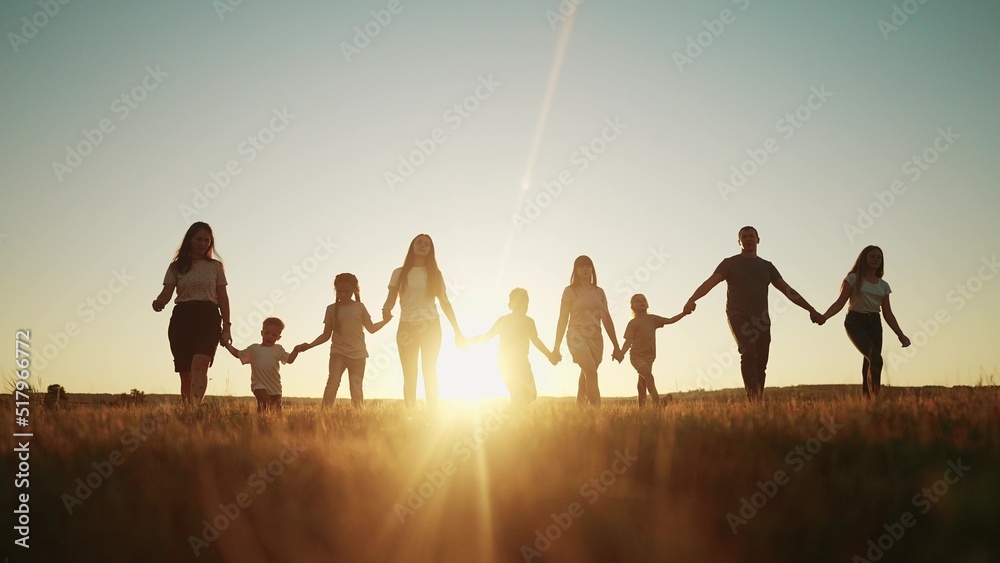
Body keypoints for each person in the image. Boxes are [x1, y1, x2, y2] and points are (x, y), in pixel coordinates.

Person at [683, 226, 821, 402]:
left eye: (751, 236)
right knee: (748, 351)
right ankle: (753, 397)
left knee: (761, 364)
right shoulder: (729, 263)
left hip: (762, 319)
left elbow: (788, 291)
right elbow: (709, 283)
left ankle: (756, 402)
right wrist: (692, 299)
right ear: (739, 242)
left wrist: (811, 309)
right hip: (738, 315)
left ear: (758, 239)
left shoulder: (767, 266)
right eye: (744, 237)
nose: (748, 239)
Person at [381, 234, 464, 411]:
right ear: (412, 246)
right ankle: (410, 412)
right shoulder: (399, 273)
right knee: (410, 373)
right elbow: (391, 298)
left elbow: (445, 302)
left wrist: (457, 331)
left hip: (431, 326)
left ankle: (432, 412)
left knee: (429, 370)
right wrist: (386, 309)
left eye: (427, 244)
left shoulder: (435, 273)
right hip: (407, 327)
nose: (422, 245)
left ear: (430, 250)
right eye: (419, 242)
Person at [152, 222, 231, 404]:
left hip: (209, 317)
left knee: (200, 365)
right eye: (198, 239)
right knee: (186, 372)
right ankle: (188, 412)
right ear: (189, 240)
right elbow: (166, 292)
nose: (202, 243)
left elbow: (223, 298)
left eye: (206, 240)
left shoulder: (216, 267)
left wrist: (226, 327)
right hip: (183, 318)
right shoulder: (176, 267)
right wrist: (159, 302)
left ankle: (196, 408)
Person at [818, 246, 911, 399]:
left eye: (879, 257)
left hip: (875, 323)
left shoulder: (884, 286)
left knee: (869, 364)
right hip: (855, 322)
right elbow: (840, 303)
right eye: (872, 256)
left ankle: (868, 404)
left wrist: (901, 335)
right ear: (864, 259)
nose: (876, 259)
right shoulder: (853, 279)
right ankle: (876, 400)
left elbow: (888, 313)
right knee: (876, 358)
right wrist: (824, 317)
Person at [294, 273, 390, 408]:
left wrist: (385, 321)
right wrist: (309, 345)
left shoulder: (359, 307)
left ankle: (358, 416)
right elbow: (326, 335)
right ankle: (325, 414)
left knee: (356, 388)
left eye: (347, 291)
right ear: (335, 291)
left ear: (354, 291)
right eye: (339, 291)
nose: (343, 294)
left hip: (358, 354)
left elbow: (371, 328)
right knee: (332, 383)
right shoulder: (331, 309)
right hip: (338, 352)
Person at [462, 288, 559, 407]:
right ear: (510, 305)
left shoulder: (529, 322)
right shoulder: (503, 321)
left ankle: (516, 414)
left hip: (523, 363)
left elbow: (536, 341)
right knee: (516, 393)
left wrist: (550, 355)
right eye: (519, 305)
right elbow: (487, 336)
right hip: (506, 363)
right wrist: (468, 341)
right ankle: (515, 418)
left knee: (531, 394)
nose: (523, 308)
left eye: (525, 305)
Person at [553, 255, 621, 406]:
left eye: (588, 266)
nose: (585, 269)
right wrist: (556, 346)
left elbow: (607, 319)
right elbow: (563, 318)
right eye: (581, 266)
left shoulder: (599, 292)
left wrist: (616, 346)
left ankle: (581, 414)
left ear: (592, 269)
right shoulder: (569, 291)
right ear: (575, 270)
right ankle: (597, 414)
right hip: (576, 336)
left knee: (586, 376)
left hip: (596, 337)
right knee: (591, 373)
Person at [613, 294, 687, 407]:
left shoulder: (653, 319)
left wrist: (684, 313)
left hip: (650, 358)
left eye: (643, 300)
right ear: (632, 307)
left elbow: (670, 320)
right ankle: (658, 402)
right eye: (637, 301)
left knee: (642, 384)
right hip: (636, 357)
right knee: (649, 377)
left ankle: (642, 411)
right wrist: (621, 354)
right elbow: (628, 341)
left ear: (647, 304)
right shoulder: (633, 323)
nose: (641, 302)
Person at [224, 317, 299, 412]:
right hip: (258, 385)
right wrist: (227, 345)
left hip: (275, 388)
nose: (270, 336)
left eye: (274, 335)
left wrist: (296, 350)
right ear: (262, 333)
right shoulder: (253, 349)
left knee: (271, 412)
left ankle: (259, 425)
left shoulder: (278, 350)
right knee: (266, 403)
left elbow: (290, 359)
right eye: (267, 333)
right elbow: (238, 354)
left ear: (278, 337)